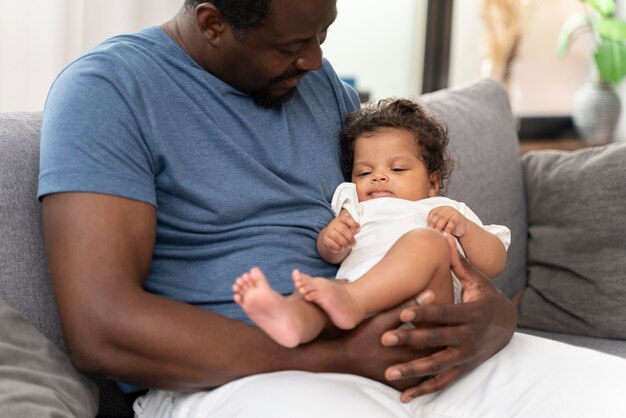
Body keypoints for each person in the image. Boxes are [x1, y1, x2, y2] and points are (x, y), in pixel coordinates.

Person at [37, 0, 626, 417]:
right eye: (293, 44)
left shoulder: (318, 88)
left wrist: (493, 321)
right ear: (213, 23)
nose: (316, 62)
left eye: (323, 33)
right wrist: (340, 355)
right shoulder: (109, 90)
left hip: (397, 350)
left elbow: (401, 221)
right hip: (247, 380)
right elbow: (100, 328)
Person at [232, 98, 511, 348]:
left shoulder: (446, 209)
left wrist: (466, 229)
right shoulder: (354, 204)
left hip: (428, 311)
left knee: (429, 242)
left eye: (397, 169)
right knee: (318, 293)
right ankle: (291, 321)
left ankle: (351, 302)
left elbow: (494, 263)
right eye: (364, 171)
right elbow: (331, 252)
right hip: (360, 294)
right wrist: (332, 240)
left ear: (433, 182)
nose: (378, 177)